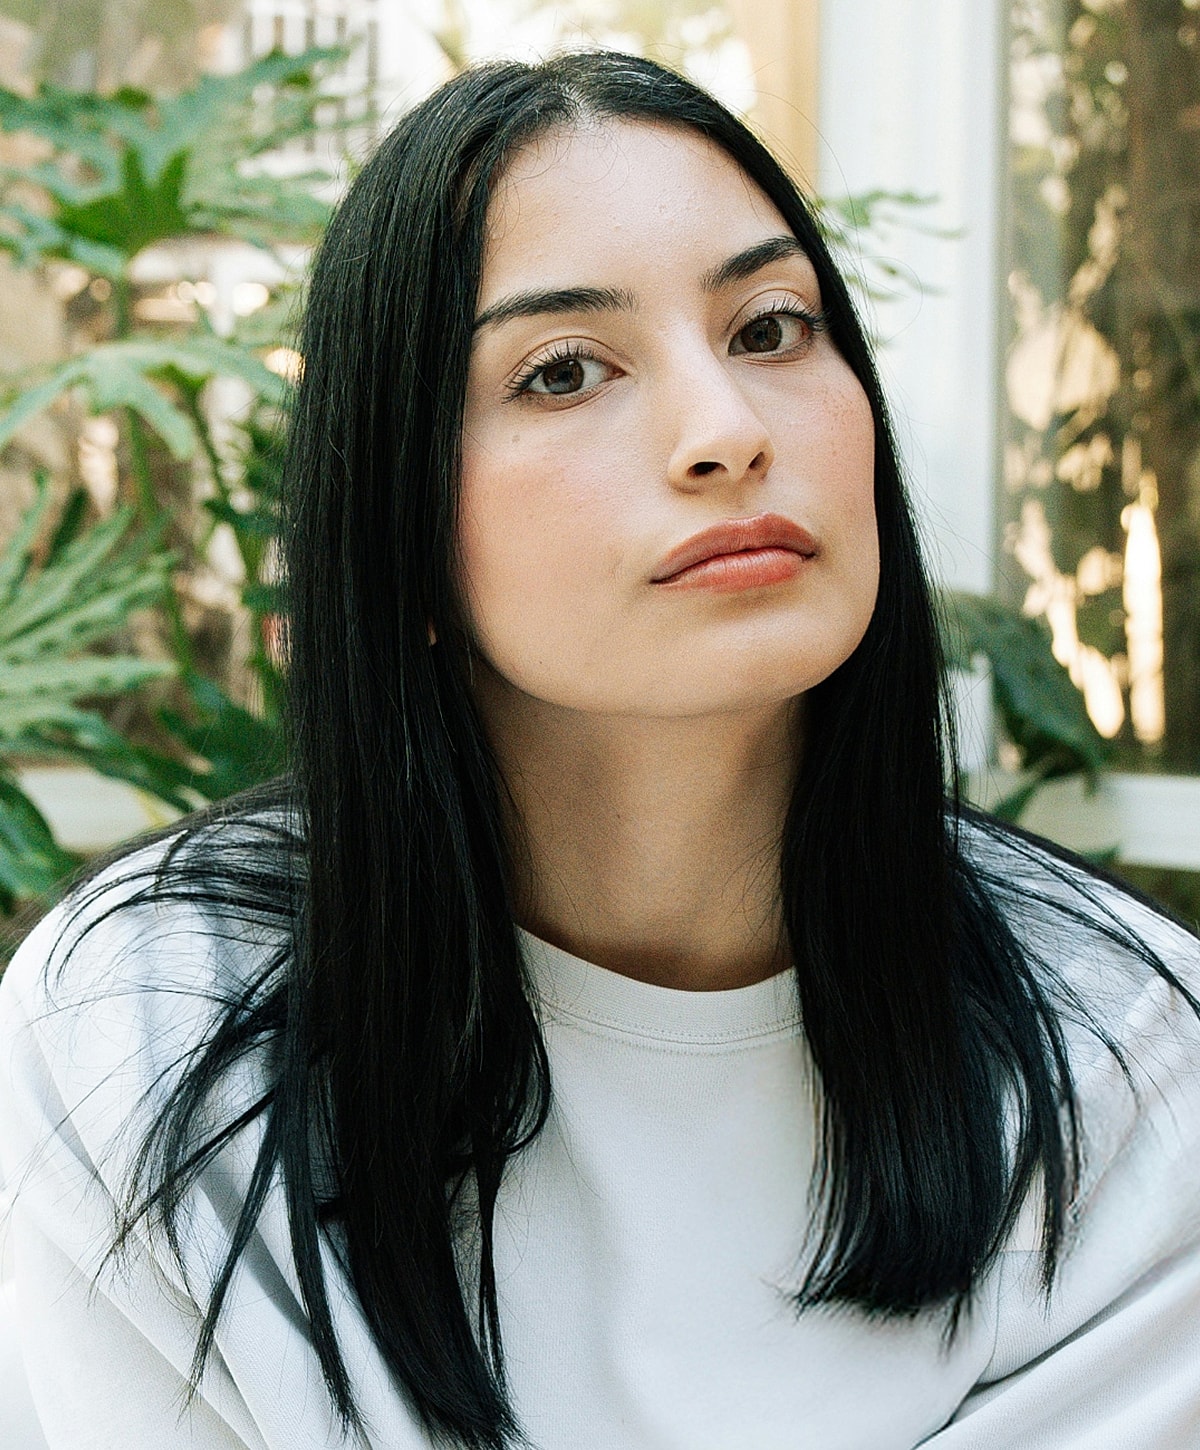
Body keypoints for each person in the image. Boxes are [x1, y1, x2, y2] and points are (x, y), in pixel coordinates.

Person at [1, 48, 1199, 1450]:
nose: (726, 432)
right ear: (399, 526)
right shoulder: (146, 1035)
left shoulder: (1132, 1060)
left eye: (769, 328)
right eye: (564, 370)